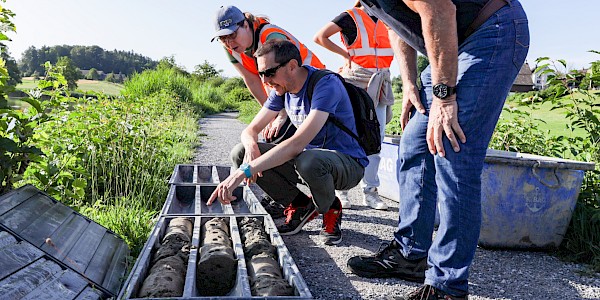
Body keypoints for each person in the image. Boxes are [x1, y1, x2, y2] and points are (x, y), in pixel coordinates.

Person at [346, 0, 529, 299]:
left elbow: (439, 9)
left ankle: (447, 286)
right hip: (451, 41)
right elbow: (397, 26)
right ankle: (411, 254)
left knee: (451, 147)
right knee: (415, 143)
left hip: (490, 30)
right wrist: (408, 84)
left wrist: (444, 98)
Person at [207, 39, 368, 246]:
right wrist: (251, 147)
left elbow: (296, 144)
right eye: (261, 74)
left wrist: (243, 172)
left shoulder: (325, 84)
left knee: (308, 160)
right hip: (309, 160)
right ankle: (300, 205)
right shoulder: (281, 90)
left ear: (292, 66)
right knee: (240, 153)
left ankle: (331, 207)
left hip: (347, 163)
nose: (265, 81)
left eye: (269, 72)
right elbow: (250, 130)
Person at [211, 5, 326, 218]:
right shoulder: (232, 48)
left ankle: (315, 201)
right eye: (223, 38)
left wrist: (281, 114)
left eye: (233, 35)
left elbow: (289, 77)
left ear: (246, 24)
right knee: (256, 146)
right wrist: (270, 114)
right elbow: (252, 79)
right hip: (285, 94)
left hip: (313, 93)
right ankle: (291, 199)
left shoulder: (271, 37)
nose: (229, 42)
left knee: (283, 145)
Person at [313, 0, 395, 210]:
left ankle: (370, 192)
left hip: (380, 82)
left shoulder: (391, 14)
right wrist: (345, 55)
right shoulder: (350, 16)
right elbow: (320, 37)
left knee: (376, 139)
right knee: (346, 136)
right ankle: (342, 192)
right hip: (355, 81)